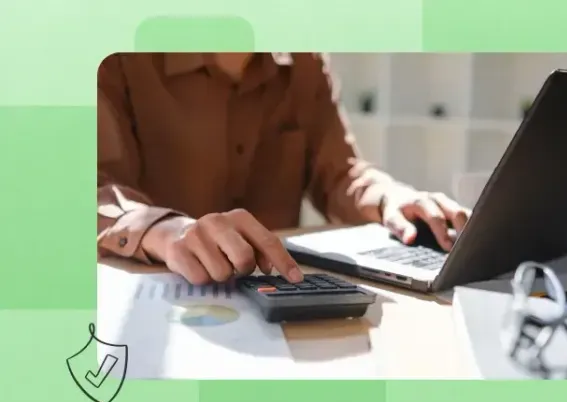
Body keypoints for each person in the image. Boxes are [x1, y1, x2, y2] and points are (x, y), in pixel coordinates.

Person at [97, 52, 470, 285]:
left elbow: (341, 172)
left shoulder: (305, 62)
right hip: (160, 293)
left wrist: (390, 196)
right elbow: (88, 186)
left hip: (281, 294)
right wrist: (163, 230)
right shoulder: (118, 56)